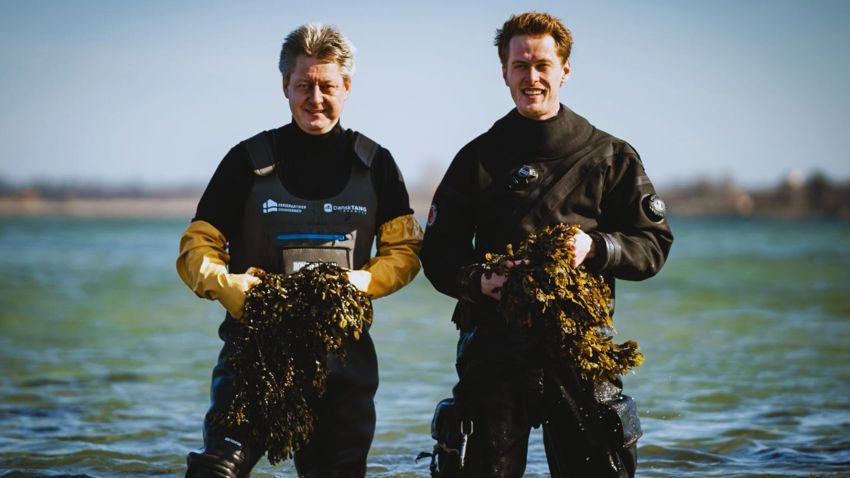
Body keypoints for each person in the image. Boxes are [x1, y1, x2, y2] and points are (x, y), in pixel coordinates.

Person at [419, 11, 673, 477]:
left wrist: (595, 247)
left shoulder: (610, 156)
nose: (531, 77)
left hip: (580, 347)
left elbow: (652, 244)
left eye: (542, 65)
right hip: (492, 347)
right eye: (520, 65)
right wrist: (479, 281)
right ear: (504, 72)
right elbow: (437, 252)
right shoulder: (478, 158)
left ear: (565, 70)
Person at [176, 23, 423, 478]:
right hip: (253, 355)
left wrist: (361, 282)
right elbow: (198, 245)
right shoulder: (246, 160)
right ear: (285, 87)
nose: (316, 98)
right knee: (218, 469)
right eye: (304, 85)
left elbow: (404, 251)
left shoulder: (376, 164)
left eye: (327, 86)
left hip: (343, 361)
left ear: (346, 87)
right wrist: (226, 285)